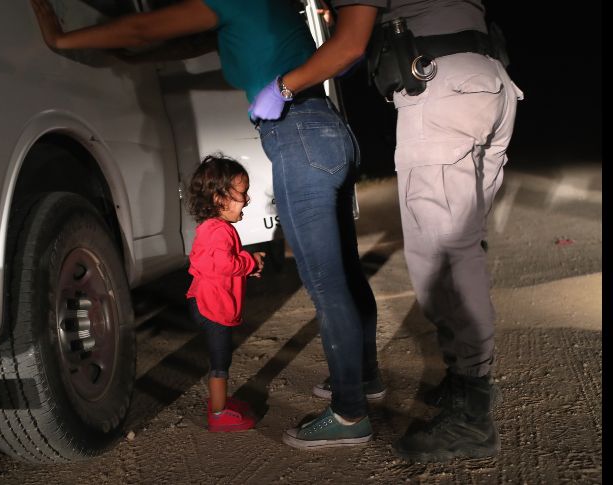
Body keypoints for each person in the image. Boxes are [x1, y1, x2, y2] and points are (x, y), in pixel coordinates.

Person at [30, 0, 384, 449]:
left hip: (297, 136)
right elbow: (171, 45)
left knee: (325, 285)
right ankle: (364, 378)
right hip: (327, 131)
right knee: (346, 276)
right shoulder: (262, 9)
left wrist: (61, 39)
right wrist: (125, 55)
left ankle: (350, 411)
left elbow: (143, 28)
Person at [251, 0, 523, 462]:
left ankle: (472, 417)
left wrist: (283, 85)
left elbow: (350, 45)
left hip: (443, 92)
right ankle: (465, 386)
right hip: (489, 82)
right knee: (464, 249)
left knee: (443, 261)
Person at [185, 155, 264, 432]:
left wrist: (246, 266)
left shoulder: (214, 228)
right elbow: (222, 264)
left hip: (204, 301)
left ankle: (221, 402)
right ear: (220, 199)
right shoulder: (218, 231)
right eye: (242, 194)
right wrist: (250, 262)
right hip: (212, 307)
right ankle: (218, 413)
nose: (247, 199)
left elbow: (219, 264)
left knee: (221, 359)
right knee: (220, 361)